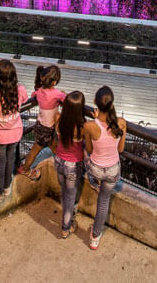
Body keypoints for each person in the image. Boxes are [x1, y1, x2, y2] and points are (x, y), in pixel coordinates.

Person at [83, 86, 126, 250]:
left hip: (96, 170)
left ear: (95, 103)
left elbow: (89, 150)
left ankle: (94, 183)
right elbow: (120, 150)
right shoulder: (121, 123)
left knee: (85, 158)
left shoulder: (89, 126)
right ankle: (95, 236)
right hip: (112, 171)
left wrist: (95, 120)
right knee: (104, 201)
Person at [0, 60, 28, 204]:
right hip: (14, 134)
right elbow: (25, 99)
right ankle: (7, 186)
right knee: (10, 160)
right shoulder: (20, 91)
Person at [18, 65, 65, 180]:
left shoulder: (39, 92)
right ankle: (25, 169)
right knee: (43, 150)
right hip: (48, 129)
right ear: (54, 83)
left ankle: (61, 167)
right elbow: (67, 99)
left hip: (40, 126)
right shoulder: (57, 94)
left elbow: (33, 95)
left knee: (49, 147)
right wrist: (64, 93)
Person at [53, 91, 87, 238]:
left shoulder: (59, 119)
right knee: (70, 197)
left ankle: (68, 214)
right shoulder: (82, 127)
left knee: (64, 190)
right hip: (73, 166)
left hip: (59, 161)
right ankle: (66, 227)